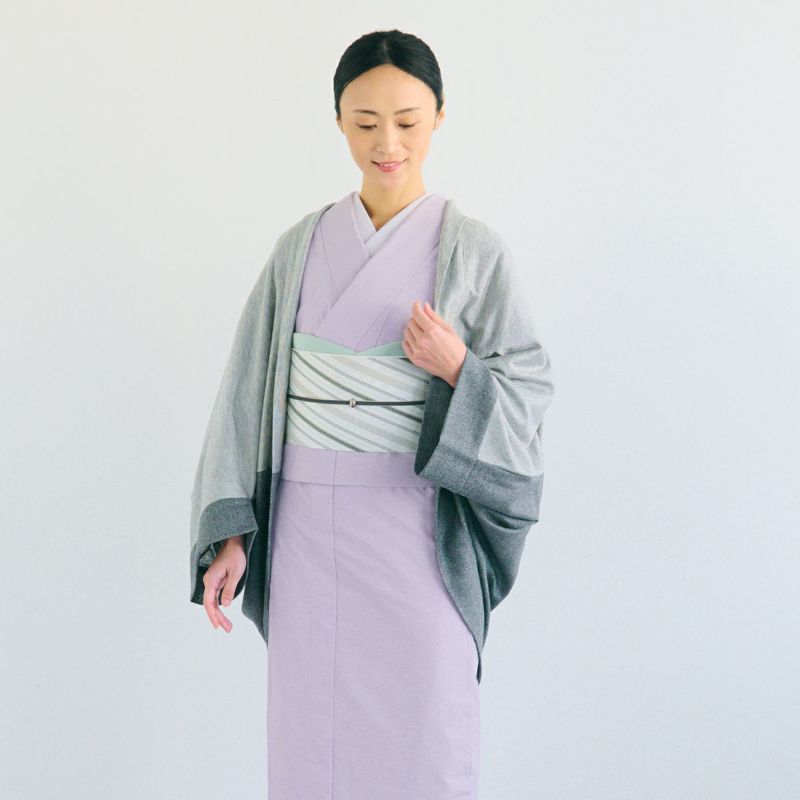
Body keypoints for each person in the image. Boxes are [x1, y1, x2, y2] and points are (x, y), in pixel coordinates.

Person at [189, 28, 555, 799]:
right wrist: (232, 533)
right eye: (364, 122)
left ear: (439, 117)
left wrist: (458, 369)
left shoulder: (474, 251)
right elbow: (245, 390)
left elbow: (527, 388)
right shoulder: (299, 249)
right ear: (338, 122)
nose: (387, 143)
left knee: (429, 736)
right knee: (312, 748)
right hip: (308, 536)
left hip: (417, 534)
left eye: (407, 121)